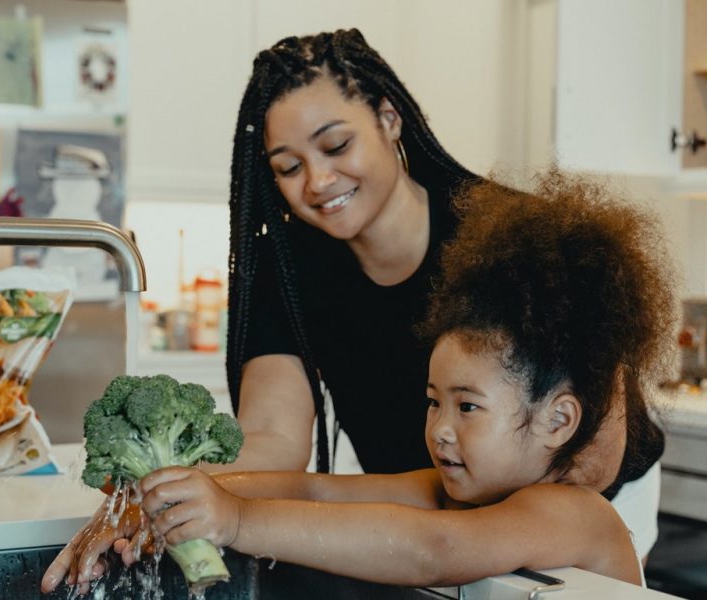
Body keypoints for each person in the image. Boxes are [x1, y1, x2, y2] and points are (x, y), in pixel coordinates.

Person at [42, 28, 665, 593]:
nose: (317, 181)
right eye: (288, 167)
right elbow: (289, 455)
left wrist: (234, 516)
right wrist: (170, 495)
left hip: (567, 493)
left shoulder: (512, 242)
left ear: (389, 119)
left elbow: (456, 536)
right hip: (450, 492)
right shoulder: (290, 269)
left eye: (336, 145)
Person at [135, 172, 674, 587]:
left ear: (557, 420)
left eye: (466, 407)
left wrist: (232, 520)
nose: (439, 428)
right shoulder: (463, 494)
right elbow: (319, 490)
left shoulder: (572, 512)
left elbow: (433, 550)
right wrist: (186, 495)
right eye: (433, 402)